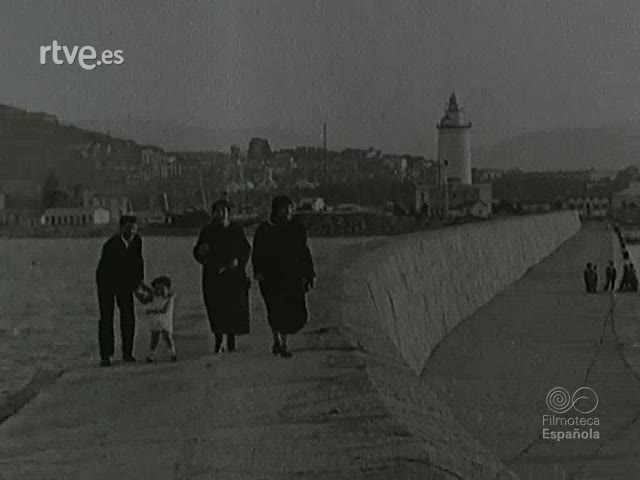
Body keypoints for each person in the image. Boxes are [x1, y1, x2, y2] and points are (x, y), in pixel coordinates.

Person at [252, 195, 316, 358]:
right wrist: (258, 271)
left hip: (291, 276)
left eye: (290, 209)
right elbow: (257, 253)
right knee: (274, 309)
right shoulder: (265, 229)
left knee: (290, 310)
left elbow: (304, 252)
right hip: (270, 276)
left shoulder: (297, 228)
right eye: (284, 209)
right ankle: (279, 342)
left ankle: (283, 342)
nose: (288, 212)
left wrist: (309, 274)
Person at [193, 199, 251, 353]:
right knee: (215, 308)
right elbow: (198, 252)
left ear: (228, 213)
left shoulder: (236, 230)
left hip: (232, 275)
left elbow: (245, 250)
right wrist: (201, 252)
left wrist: (238, 262)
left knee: (232, 307)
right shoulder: (207, 231)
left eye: (223, 210)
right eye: (217, 211)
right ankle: (219, 341)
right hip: (213, 275)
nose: (220, 213)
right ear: (213, 213)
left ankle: (231, 341)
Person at [95, 215, 144, 367]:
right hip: (106, 281)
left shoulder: (137, 240)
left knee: (128, 315)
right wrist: (134, 288)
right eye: (128, 228)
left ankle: (127, 353)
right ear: (121, 228)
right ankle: (106, 355)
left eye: (134, 229)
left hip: (124, 280)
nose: (132, 232)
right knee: (106, 317)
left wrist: (139, 285)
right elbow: (114, 270)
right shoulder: (110, 245)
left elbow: (138, 263)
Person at [137, 276, 177, 363]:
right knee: (154, 337)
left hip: (165, 319)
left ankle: (172, 352)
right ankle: (151, 354)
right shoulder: (155, 296)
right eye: (157, 289)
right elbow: (148, 293)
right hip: (155, 320)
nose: (159, 291)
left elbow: (164, 310)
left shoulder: (169, 298)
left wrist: (151, 311)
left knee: (167, 336)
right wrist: (141, 285)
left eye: (162, 289)